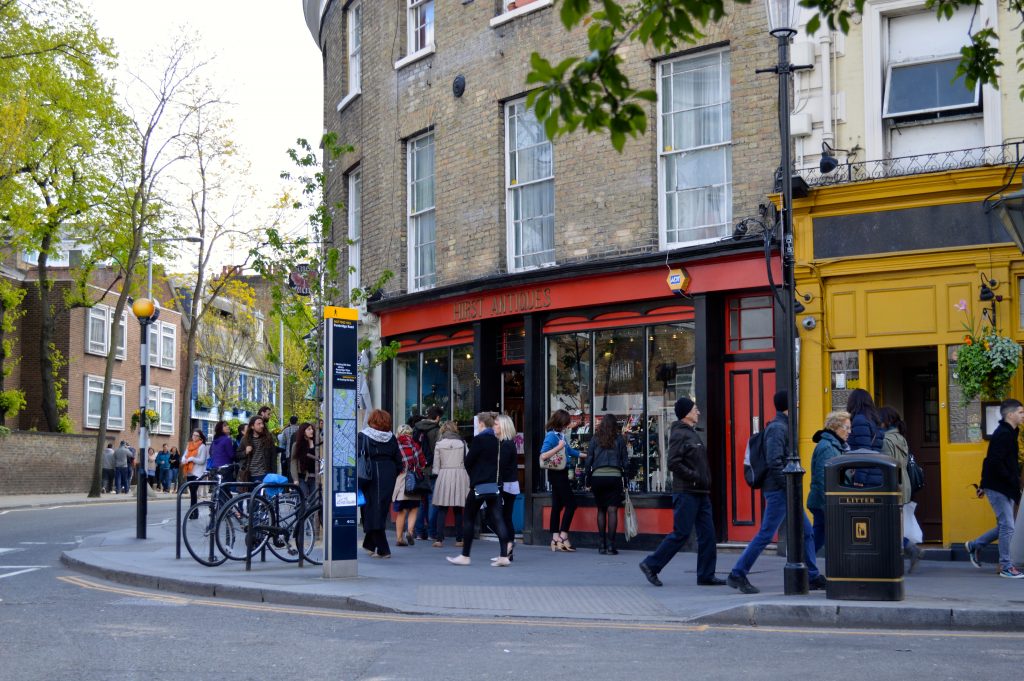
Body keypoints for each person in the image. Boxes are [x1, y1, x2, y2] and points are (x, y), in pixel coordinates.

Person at [727, 390, 827, 594]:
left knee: (807, 533)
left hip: (786, 490)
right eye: (795, 403)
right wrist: (787, 486)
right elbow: (774, 461)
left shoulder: (784, 426)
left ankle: (813, 575)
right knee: (765, 534)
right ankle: (738, 573)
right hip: (779, 491)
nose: (798, 406)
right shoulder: (778, 428)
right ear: (788, 406)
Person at [638, 397, 723, 587]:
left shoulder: (691, 433)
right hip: (687, 492)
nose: (698, 412)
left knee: (708, 535)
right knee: (681, 533)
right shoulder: (679, 434)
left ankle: (706, 575)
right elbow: (673, 462)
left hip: (701, 492)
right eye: (695, 409)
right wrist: (694, 476)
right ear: (686, 413)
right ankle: (651, 565)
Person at [965, 398, 1024, 579]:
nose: (1023, 415)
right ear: (1010, 414)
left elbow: (991, 460)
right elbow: (993, 461)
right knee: (1008, 525)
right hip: (999, 486)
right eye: (1021, 412)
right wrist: (1009, 480)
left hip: (1002, 485)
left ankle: (975, 545)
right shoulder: (1003, 434)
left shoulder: (1011, 432)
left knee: (1006, 525)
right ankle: (1006, 566)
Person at [447, 411, 513, 566]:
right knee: (498, 518)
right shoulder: (498, 441)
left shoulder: (479, 440)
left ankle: (465, 556)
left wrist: (474, 475)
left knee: (469, 518)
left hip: (479, 485)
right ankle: (504, 556)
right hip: (495, 486)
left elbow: (468, 461)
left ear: (481, 424)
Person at [878, 406, 921, 572]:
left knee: (888, 523)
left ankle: (906, 551)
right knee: (895, 522)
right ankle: (906, 550)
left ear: (885, 421)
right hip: (904, 483)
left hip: (894, 484)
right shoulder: (899, 437)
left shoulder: (886, 440)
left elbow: (888, 464)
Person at [358, 409, 402, 559]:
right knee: (380, 510)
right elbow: (399, 461)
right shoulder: (391, 438)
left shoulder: (363, 436)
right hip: (388, 474)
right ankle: (369, 544)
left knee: (371, 510)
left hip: (370, 474)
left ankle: (384, 549)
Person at [540, 408, 584, 552]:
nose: (567, 426)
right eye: (566, 423)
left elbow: (570, 451)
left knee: (557, 506)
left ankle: (554, 538)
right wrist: (559, 447)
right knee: (571, 504)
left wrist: (587, 455)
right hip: (557, 474)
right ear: (560, 422)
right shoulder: (552, 436)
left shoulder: (561, 436)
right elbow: (543, 455)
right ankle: (563, 535)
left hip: (561, 473)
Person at [807, 411, 851, 553]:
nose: (849, 432)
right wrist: (828, 506)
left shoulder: (835, 445)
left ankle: (807, 566)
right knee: (825, 535)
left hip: (827, 502)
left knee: (819, 536)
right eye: (846, 427)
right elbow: (822, 479)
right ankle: (805, 566)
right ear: (835, 427)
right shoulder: (827, 447)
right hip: (825, 503)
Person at [587, 414, 628, 555]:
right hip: (614, 477)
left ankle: (601, 545)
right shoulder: (620, 439)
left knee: (601, 510)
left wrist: (587, 479)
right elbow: (625, 462)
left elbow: (588, 461)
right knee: (612, 511)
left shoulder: (595, 438)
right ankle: (611, 546)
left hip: (597, 477)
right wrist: (626, 480)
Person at [431, 420, 469, 548]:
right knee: (458, 509)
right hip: (459, 474)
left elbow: (436, 465)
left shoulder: (439, 444)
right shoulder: (462, 443)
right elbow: (467, 459)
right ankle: (459, 539)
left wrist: (437, 473)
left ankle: (439, 539)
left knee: (442, 508)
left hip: (444, 474)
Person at [392, 424, 427, 546]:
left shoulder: (396, 444)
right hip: (414, 480)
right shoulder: (415, 445)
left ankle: (399, 538)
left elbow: (394, 463)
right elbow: (422, 463)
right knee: (414, 508)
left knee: (401, 510)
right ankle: (410, 532)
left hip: (401, 479)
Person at [413, 405, 443, 541]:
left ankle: (419, 532)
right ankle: (432, 532)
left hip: (418, 469)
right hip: (431, 469)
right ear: (437, 417)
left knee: (420, 501)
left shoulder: (417, 427)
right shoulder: (436, 430)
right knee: (432, 501)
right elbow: (439, 450)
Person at [495, 414, 520, 561]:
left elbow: (501, 467)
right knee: (504, 517)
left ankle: (507, 547)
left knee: (502, 518)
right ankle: (506, 550)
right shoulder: (505, 443)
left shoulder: (506, 444)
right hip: (509, 484)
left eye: (496, 424)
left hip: (505, 485)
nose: (494, 426)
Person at [240, 416, 276, 485]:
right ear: (252, 426)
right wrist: (245, 452)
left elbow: (273, 457)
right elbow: (237, 455)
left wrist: (273, 474)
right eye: (258, 424)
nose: (262, 426)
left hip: (264, 474)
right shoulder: (245, 439)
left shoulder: (268, 438)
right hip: (249, 475)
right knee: (251, 495)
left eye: (262, 423)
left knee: (263, 495)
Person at [182, 430, 209, 511]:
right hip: (189, 472)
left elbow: (202, 461)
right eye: (193, 435)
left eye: (197, 435)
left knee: (194, 492)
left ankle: (193, 511)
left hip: (197, 473)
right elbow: (184, 455)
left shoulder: (202, 446)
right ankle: (194, 512)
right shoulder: (189, 445)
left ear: (200, 437)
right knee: (192, 494)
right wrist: (184, 459)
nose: (194, 437)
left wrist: (192, 459)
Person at [292, 422, 318, 503]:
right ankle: (301, 515)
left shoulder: (317, 444)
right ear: (303, 431)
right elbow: (293, 462)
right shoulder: (297, 445)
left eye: (312, 429)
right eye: (309, 429)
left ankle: (312, 516)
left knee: (314, 500)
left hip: (315, 477)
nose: (311, 431)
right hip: (303, 477)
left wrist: (312, 444)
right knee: (303, 500)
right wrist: (295, 479)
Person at [278, 416, 300, 482]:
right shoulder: (299, 429)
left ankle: (289, 485)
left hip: (288, 453)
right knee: (297, 469)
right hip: (298, 452)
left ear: (290, 422)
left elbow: (283, 441)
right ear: (297, 421)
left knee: (289, 470)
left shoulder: (286, 430)